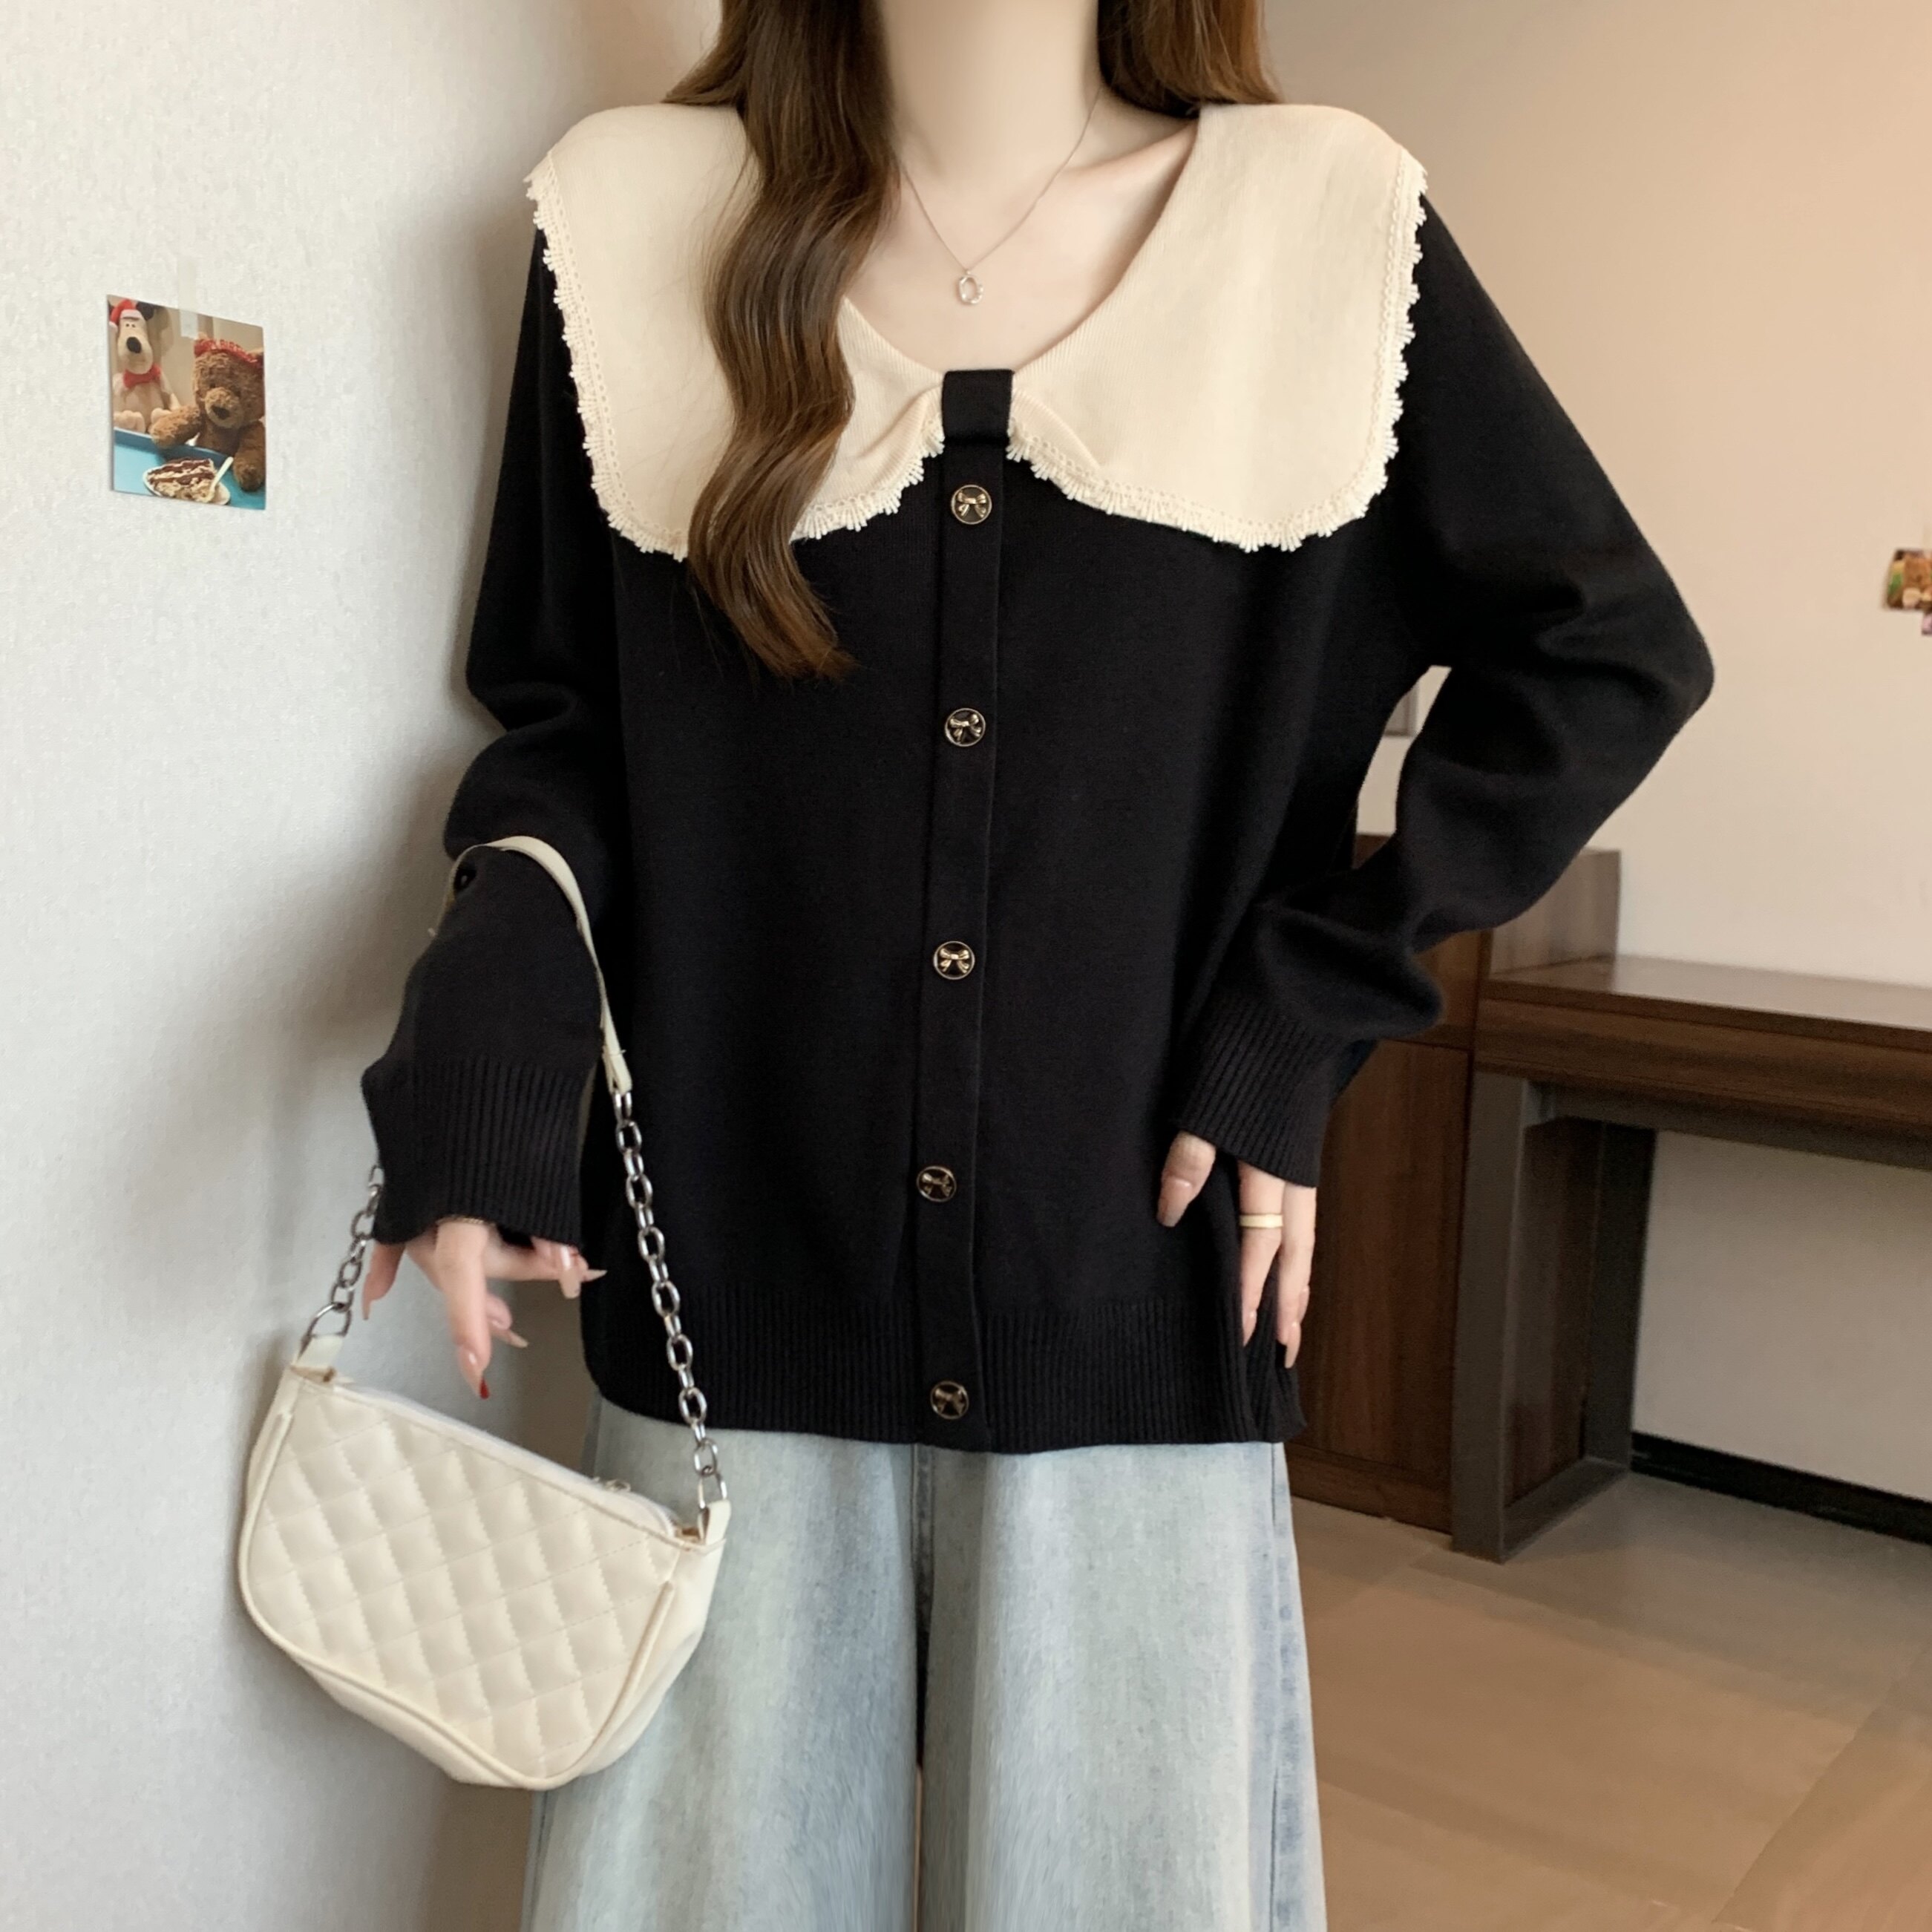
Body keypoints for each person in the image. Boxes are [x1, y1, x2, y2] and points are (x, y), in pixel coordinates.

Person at [356, 0, 1715, 1925]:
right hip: (735, 1294)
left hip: (1129, 1298)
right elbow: (567, 723)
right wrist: (493, 1041)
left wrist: (1304, 1010)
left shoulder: (1319, 223)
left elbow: (1604, 651)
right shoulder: (636, 219)